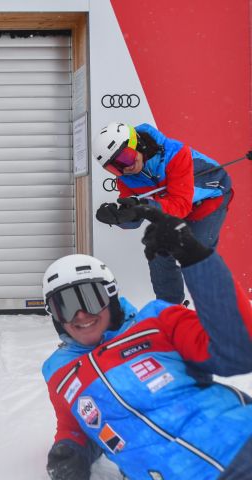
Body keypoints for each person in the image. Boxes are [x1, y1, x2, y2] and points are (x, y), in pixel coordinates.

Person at [41, 206, 252, 480]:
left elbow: (239, 350)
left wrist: (192, 256)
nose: (80, 314)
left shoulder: (158, 320)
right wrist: (69, 448)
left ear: (111, 297)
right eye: (65, 306)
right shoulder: (58, 372)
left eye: (89, 299)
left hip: (241, 445)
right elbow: (78, 423)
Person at [92, 122, 232, 304]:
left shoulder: (175, 153)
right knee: (157, 250)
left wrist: (142, 206)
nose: (125, 168)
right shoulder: (126, 179)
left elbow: (180, 206)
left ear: (138, 143)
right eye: (115, 167)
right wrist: (119, 217)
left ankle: (216, 307)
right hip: (172, 204)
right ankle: (171, 309)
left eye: (125, 158)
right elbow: (134, 218)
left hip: (208, 200)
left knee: (195, 250)